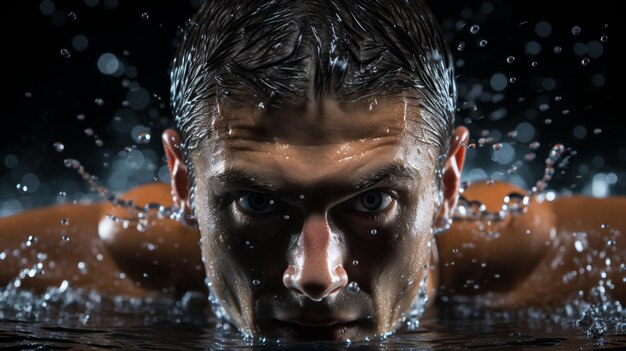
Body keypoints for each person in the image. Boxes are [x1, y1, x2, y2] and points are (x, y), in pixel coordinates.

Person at [1, 0, 624, 342]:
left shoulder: (542, 263)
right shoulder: (117, 260)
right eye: (258, 204)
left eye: (374, 201)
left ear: (448, 185)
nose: (316, 277)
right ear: (184, 186)